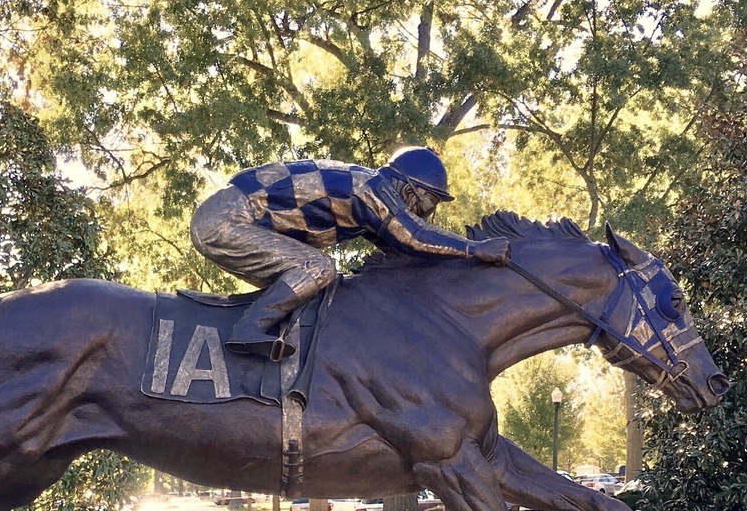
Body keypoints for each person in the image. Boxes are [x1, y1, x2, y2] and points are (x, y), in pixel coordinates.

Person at [190, 147, 511, 360]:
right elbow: (414, 236)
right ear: (409, 188)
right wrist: (474, 249)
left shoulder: (365, 196)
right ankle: (248, 330)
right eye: (429, 203)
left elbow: (402, 254)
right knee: (318, 268)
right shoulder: (372, 190)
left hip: (233, 218)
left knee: (314, 287)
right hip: (227, 220)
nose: (425, 213)